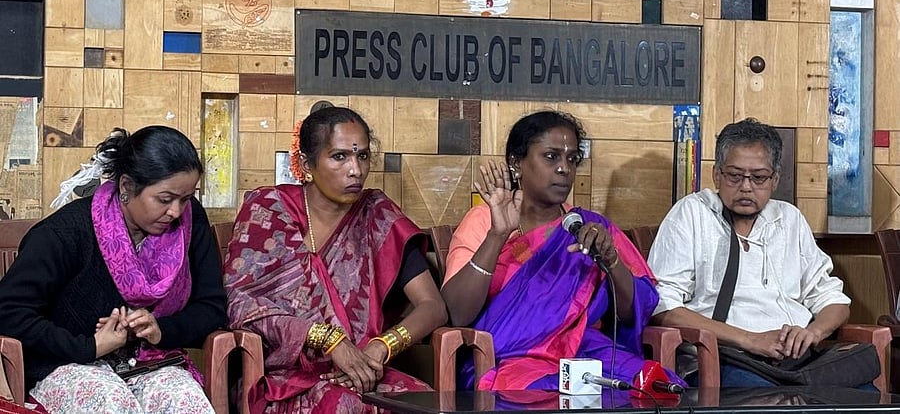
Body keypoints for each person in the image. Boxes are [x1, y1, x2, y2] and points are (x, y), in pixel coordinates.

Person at [224, 106, 447, 413]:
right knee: (342, 405)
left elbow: (433, 307)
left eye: (363, 156)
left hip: (366, 371)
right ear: (306, 163)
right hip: (284, 379)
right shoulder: (268, 211)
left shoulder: (378, 216)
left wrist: (382, 346)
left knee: (423, 403)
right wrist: (326, 340)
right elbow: (240, 304)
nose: (355, 169)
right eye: (340, 157)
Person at [441, 110, 683, 391]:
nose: (564, 169)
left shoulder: (589, 227)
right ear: (516, 163)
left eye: (572, 159)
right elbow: (456, 313)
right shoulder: (485, 220)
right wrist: (497, 236)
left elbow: (633, 313)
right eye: (551, 156)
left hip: (585, 353)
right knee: (550, 397)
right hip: (508, 361)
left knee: (654, 387)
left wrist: (612, 261)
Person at [0, 126, 226, 413]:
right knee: (109, 401)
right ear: (127, 187)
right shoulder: (65, 233)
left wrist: (161, 330)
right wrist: (89, 346)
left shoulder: (190, 223)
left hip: (152, 363)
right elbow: (8, 313)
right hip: (68, 364)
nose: (177, 212)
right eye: (165, 199)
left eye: (186, 198)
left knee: (185, 401)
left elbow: (212, 306)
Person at [647, 118, 855, 387]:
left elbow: (834, 300)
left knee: (861, 390)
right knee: (766, 396)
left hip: (796, 360)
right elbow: (662, 306)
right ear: (717, 174)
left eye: (758, 177)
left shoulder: (789, 219)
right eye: (735, 175)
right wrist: (751, 340)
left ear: (775, 179)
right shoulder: (692, 214)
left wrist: (812, 333)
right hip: (725, 358)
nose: (746, 187)